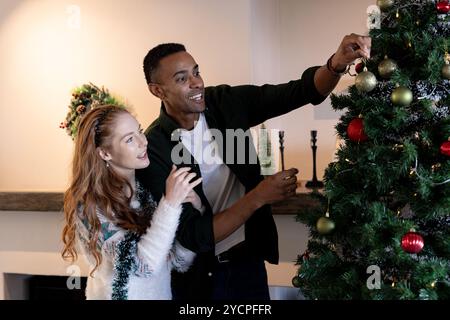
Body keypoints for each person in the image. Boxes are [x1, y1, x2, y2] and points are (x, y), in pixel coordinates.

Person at [137, 34, 371, 300]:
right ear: (157, 90)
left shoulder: (225, 103)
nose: (196, 83)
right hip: (198, 280)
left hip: (247, 263)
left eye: (196, 72)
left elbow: (298, 91)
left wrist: (336, 63)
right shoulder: (154, 148)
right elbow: (194, 235)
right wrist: (260, 195)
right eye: (182, 78)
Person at [61, 104, 203, 300]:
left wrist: (194, 209)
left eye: (140, 131)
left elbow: (178, 262)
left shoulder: (148, 192)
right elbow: (142, 266)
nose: (143, 142)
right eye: (129, 139)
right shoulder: (89, 207)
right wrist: (170, 204)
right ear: (104, 153)